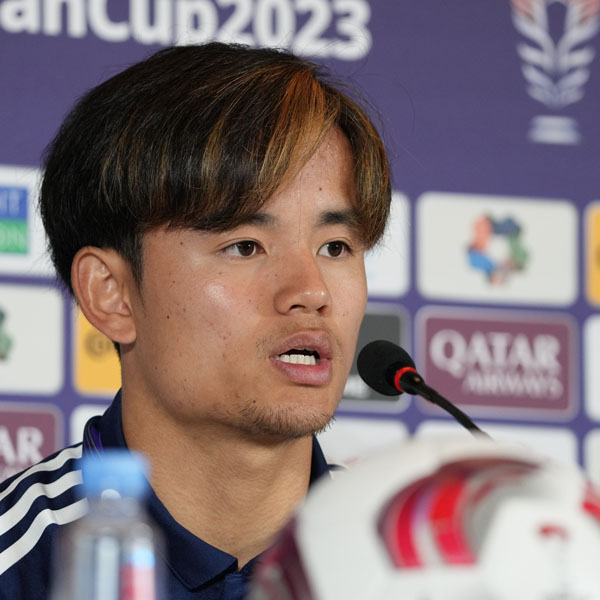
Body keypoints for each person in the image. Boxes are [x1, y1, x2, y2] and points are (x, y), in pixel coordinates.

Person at [0, 43, 391, 599]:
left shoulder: (429, 570)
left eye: (335, 247)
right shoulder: (17, 568)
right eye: (245, 246)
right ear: (112, 294)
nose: (311, 291)